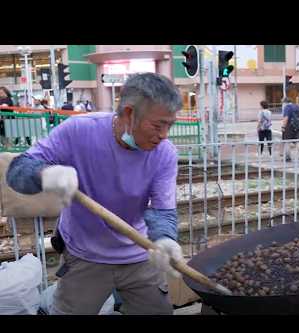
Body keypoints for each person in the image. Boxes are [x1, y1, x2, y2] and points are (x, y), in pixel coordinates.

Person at [6, 73, 185, 315]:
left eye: (169, 125)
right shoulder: (79, 131)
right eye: (157, 125)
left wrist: (165, 238)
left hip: (139, 256)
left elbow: (162, 209)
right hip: (84, 256)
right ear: (129, 114)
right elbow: (18, 170)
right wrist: (44, 174)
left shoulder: (164, 154)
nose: (164, 135)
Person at [281, 97, 299, 162]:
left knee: (287, 141)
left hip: (289, 127)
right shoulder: (298, 106)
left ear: (285, 102)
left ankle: (288, 157)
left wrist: (283, 127)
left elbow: (286, 118)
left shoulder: (287, 107)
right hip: (297, 127)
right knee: (297, 141)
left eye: (282, 102)